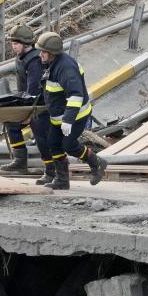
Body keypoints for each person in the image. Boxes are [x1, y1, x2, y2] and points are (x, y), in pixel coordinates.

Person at [35, 31, 107, 190]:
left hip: (76, 116)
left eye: (43, 52)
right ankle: (62, 180)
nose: (40, 55)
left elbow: (75, 95)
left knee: (69, 145)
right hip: (58, 116)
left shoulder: (66, 68)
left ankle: (97, 163)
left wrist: (68, 120)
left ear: (51, 53)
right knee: (53, 143)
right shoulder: (52, 64)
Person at [0, 25, 55, 185]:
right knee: (11, 123)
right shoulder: (22, 58)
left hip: (41, 105)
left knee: (41, 136)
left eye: (15, 43)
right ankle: (20, 161)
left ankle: (51, 171)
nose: (13, 45)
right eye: (12, 42)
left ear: (25, 44)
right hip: (30, 101)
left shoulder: (35, 61)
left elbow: (35, 90)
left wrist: (28, 114)